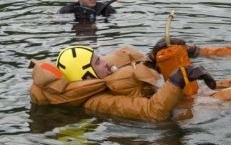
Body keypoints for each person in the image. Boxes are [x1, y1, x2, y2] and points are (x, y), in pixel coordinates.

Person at [29, 43, 216, 122]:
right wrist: (178, 79)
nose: (106, 63)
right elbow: (153, 112)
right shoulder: (99, 101)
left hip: (178, 103)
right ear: (87, 76)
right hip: (172, 124)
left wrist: (154, 57)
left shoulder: (105, 81)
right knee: (223, 99)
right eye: (98, 62)